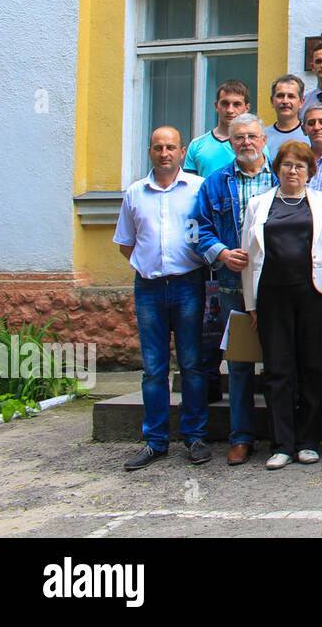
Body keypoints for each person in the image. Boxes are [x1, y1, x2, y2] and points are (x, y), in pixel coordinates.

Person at [242, 141, 322, 469]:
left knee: (313, 367)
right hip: (272, 296)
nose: (293, 171)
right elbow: (247, 255)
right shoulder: (258, 204)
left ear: (309, 171)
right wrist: (251, 305)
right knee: (277, 369)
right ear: (277, 169)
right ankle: (281, 445)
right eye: (287, 165)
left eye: (300, 166)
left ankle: (307, 441)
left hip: (313, 295)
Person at [115, 127, 211, 470]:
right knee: (154, 368)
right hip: (149, 288)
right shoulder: (135, 193)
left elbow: (206, 232)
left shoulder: (198, 189)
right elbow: (127, 242)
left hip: (188, 283)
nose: (165, 153)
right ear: (150, 152)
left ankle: (195, 437)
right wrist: (150, 265)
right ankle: (155, 441)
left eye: (171, 147)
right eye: (158, 147)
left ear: (182, 152)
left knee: (192, 365)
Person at [193, 113, 277, 466]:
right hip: (233, 286)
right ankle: (241, 437)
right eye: (239, 137)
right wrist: (222, 253)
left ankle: (280, 437)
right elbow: (196, 230)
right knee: (240, 364)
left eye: (252, 136)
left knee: (278, 363)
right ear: (229, 141)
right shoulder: (214, 184)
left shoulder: (281, 177)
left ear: (263, 140)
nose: (246, 143)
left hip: (277, 285)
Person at [185, 80, 251, 176]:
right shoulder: (196, 145)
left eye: (236, 104)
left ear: (247, 108)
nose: (230, 110)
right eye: (224, 103)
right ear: (216, 106)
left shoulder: (255, 146)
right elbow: (190, 186)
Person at [265, 75, 305, 158]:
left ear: (301, 102)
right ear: (272, 101)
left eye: (291, 96)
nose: (285, 101)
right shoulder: (262, 137)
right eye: (280, 96)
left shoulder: (310, 135)